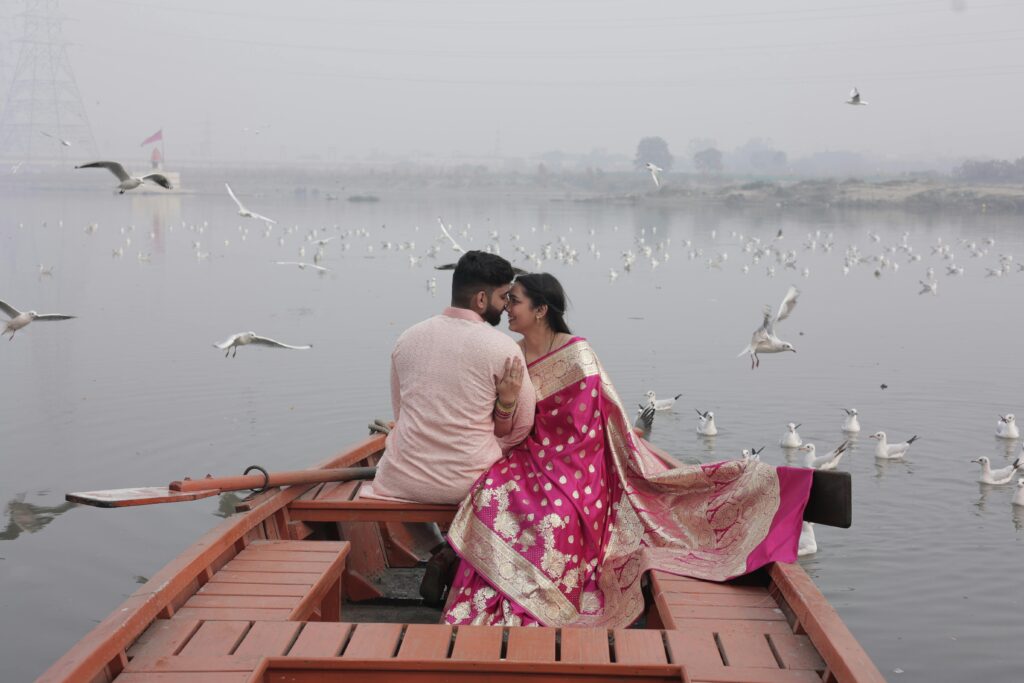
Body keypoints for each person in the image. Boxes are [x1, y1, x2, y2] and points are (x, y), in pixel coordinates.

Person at [442, 273, 813, 628]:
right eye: (506, 299)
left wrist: (549, 468)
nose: (507, 307)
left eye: (515, 301)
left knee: (554, 515)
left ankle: (530, 592)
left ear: (541, 310)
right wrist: (508, 411)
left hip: (577, 468)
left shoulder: (577, 355)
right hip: (524, 457)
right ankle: (480, 581)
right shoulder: (511, 354)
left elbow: (589, 429)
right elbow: (505, 421)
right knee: (490, 495)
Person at [365, 250, 536, 506]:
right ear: (481, 299)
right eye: (502, 297)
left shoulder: (407, 338)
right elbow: (522, 426)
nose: (505, 306)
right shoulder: (504, 348)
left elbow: (400, 414)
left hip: (399, 482)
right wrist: (487, 445)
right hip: (469, 486)